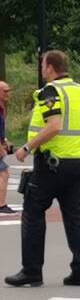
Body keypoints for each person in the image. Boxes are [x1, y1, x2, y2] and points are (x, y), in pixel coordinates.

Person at [4, 51, 80, 288]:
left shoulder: (51, 92)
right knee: (74, 215)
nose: (42, 69)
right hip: (79, 161)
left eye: (43, 65)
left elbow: (54, 126)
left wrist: (27, 148)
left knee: (32, 211)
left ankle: (31, 271)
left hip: (53, 164)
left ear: (51, 67)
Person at [0, 81, 13, 214]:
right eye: (5, 91)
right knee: (3, 174)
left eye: (9, 91)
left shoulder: (2, 107)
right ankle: (1, 205)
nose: (8, 93)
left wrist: (4, 140)